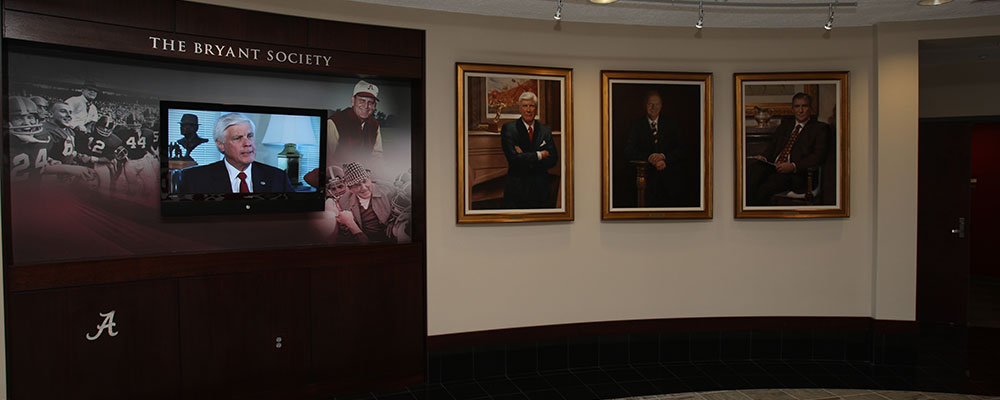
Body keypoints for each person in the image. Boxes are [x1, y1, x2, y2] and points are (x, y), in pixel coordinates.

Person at [746, 92, 831, 206]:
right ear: (792, 109)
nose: (800, 110)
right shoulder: (786, 125)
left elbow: (818, 157)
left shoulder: (820, 129)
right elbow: (773, 146)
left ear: (810, 108)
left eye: (804, 106)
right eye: (797, 106)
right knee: (751, 173)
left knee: (764, 188)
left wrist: (793, 166)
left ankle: (754, 215)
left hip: (796, 175)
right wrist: (764, 157)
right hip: (774, 166)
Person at [175, 112, 293, 193]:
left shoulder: (278, 177)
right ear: (221, 145)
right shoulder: (194, 179)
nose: (248, 143)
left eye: (250, 136)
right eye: (238, 138)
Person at [623, 90, 689, 207]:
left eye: (657, 104)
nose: (653, 107)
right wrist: (650, 158)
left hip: (670, 183)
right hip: (646, 182)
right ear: (645, 105)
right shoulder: (636, 125)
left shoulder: (671, 124)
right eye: (650, 104)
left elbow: (682, 149)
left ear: (661, 106)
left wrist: (664, 157)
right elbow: (629, 151)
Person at [499, 91, 558, 209]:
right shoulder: (509, 129)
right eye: (525, 106)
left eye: (531, 106)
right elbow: (514, 159)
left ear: (536, 108)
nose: (528, 110)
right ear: (520, 108)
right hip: (517, 189)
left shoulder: (545, 130)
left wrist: (524, 156)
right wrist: (540, 155)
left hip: (541, 189)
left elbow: (553, 159)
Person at [334, 162, 398, 243]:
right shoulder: (344, 202)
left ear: (369, 178)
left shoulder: (389, 191)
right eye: (357, 185)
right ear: (350, 189)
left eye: (364, 181)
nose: (363, 188)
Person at [327, 80, 383, 167]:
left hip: (366, 176)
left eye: (370, 102)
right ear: (353, 101)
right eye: (362, 101)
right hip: (338, 176)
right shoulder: (335, 122)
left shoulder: (374, 125)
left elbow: (377, 157)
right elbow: (327, 158)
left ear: (374, 106)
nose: (366, 106)